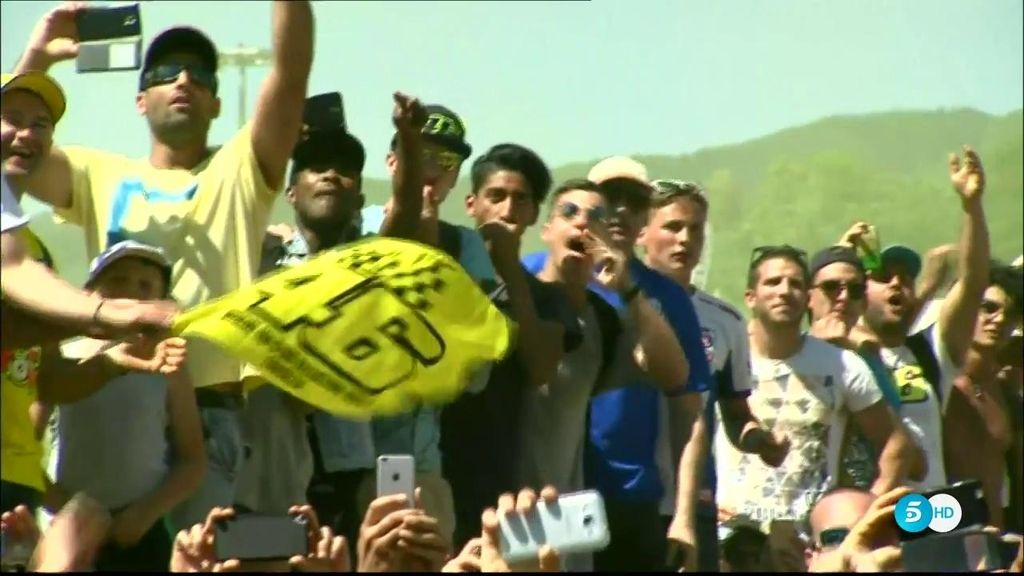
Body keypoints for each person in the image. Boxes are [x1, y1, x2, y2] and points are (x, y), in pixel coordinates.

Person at [12, 0, 315, 531]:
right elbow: (12, 139)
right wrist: (37, 56)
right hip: (107, 404)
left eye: (199, 74)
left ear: (217, 103)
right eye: (164, 73)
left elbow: (291, 75)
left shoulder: (242, 168)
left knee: (200, 564)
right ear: (139, 99)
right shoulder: (96, 171)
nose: (182, 80)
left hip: (207, 410)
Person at [241, 91, 427, 566]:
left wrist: (408, 140)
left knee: (341, 561)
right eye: (313, 166)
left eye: (343, 169)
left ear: (360, 197)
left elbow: (404, 217)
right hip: (269, 471)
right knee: (273, 562)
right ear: (289, 192)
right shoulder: (258, 256)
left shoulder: (370, 262)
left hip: (346, 467)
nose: (329, 174)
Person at [546, 158, 709, 572]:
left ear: (645, 219)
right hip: (546, 491)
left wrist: (684, 518)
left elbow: (688, 413)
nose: (619, 210)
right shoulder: (534, 275)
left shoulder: (667, 299)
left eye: (634, 202)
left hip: (628, 501)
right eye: (608, 199)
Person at [714, 245, 916, 572]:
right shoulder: (723, 357)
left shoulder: (842, 365)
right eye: (773, 282)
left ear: (807, 296)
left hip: (810, 544)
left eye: (795, 284)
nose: (785, 291)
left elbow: (899, 446)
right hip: (734, 537)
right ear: (750, 296)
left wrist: (857, 520)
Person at [638, 178, 789, 572]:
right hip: (625, 497)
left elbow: (735, 413)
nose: (685, 239)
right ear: (642, 232)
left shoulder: (726, 321)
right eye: (672, 227)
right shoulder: (612, 302)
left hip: (694, 504)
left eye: (695, 229)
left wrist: (761, 441)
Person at [441, 143, 580, 550]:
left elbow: (541, 368)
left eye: (521, 199)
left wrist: (510, 273)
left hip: (499, 479)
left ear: (535, 214)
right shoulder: (440, 278)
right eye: (496, 196)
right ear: (472, 204)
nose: (508, 209)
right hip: (432, 467)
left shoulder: (548, 298)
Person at [43, 241, 205, 572]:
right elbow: (21, 452)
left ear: (162, 303)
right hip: (69, 532)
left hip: (139, 531)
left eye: (145, 286)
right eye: (117, 280)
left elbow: (193, 462)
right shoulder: (64, 360)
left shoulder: (170, 365)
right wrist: (63, 507)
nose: (131, 291)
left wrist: (144, 514)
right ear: (88, 295)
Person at [1, 72, 175, 350]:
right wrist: (107, 313)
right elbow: (14, 268)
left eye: (40, 124)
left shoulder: (36, 252)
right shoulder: (21, 258)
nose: (27, 134)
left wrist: (112, 360)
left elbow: (44, 371)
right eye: (13, 120)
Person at [857, 146, 991, 490]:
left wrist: (972, 208)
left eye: (906, 277)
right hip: (865, 521)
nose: (897, 283)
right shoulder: (839, 354)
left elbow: (974, 284)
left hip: (927, 522)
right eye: (884, 277)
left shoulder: (930, 352)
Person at [806, 243, 927, 488]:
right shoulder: (790, 354)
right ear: (808, 296)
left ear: (863, 302)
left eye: (855, 290)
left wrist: (870, 505)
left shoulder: (869, 361)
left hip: (854, 509)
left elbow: (914, 463)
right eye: (831, 288)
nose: (843, 297)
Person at [943, 263, 1022, 529]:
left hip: (998, 544)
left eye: (1010, 314)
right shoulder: (934, 380)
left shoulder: (1005, 393)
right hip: (940, 540)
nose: (1000, 320)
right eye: (988, 308)